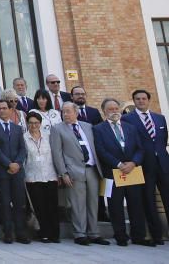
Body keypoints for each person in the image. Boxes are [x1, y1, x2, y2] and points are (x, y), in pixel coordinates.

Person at [93, 97, 151, 247]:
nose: (114, 112)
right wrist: (119, 164)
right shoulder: (98, 129)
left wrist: (133, 163)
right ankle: (121, 237)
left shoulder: (130, 127)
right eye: (110, 109)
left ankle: (139, 236)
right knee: (115, 206)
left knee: (136, 204)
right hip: (111, 173)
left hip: (132, 171)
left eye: (116, 108)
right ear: (104, 111)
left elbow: (140, 148)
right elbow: (101, 150)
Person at [50, 102, 107, 246]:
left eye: (68, 111)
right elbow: (57, 153)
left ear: (76, 113)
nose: (66, 114)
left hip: (92, 169)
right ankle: (80, 234)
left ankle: (94, 233)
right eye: (63, 112)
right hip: (73, 171)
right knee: (77, 204)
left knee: (93, 203)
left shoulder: (87, 126)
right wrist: (63, 173)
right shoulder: (57, 129)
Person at [122, 88, 169, 246]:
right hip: (143, 166)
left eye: (143, 98)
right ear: (134, 101)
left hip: (163, 165)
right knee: (149, 202)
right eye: (138, 99)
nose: (141, 101)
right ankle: (157, 236)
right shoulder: (127, 119)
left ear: (149, 100)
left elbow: (163, 141)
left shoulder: (160, 118)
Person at [0, 99, 30, 244]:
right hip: (2, 171)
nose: (2, 111)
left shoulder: (17, 128)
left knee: (19, 203)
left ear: (10, 110)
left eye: (5, 108)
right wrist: (8, 164)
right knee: (5, 203)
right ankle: (8, 233)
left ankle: (21, 232)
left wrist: (17, 163)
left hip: (17, 171)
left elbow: (22, 149)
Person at [23, 111, 60, 242]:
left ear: (40, 123)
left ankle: (54, 234)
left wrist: (59, 173)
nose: (33, 125)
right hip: (33, 177)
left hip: (50, 175)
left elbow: (56, 154)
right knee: (39, 207)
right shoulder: (23, 138)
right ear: (27, 124)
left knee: (52, 206)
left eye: (36, 123)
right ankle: (43, 233)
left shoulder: (48, 136)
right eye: (31, 123)